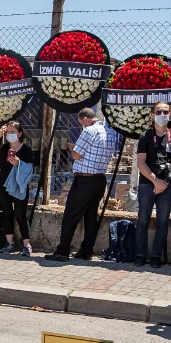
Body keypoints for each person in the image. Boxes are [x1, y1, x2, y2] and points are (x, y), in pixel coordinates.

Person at [46, 107, 113, 261]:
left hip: (85, 179)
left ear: (85, 119)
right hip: (99, 179)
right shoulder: (109, 132)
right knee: (91, 216)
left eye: (81, 122)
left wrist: (72, 148)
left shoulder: (89, 131)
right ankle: (86, 250)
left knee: (71, 215)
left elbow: (76, 155)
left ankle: (62, 251)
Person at [133, 102, 171, 266]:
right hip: (148, 184)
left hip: (166, 186)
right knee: (143, 220)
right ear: (152, 115)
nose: (162, 114)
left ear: (170, 114)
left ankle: (155, 257)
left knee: (162, 222)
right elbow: (141, 163)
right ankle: (140, 255)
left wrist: (165, 182)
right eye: (158, 111)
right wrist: (155, 180)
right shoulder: (145, 136)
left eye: (165, 112)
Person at [0, 119, 38, 255]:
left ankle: (26, 244)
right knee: (6, 213)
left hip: (19, 185)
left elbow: (30, 169)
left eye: (13, 132)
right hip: (3, 184)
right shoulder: (4, 148)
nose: (10, 134)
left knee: (20, 214)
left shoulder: (25, 150)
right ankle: (9, 243)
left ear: (19, 134)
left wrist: (18, 163)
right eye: (8, 132)